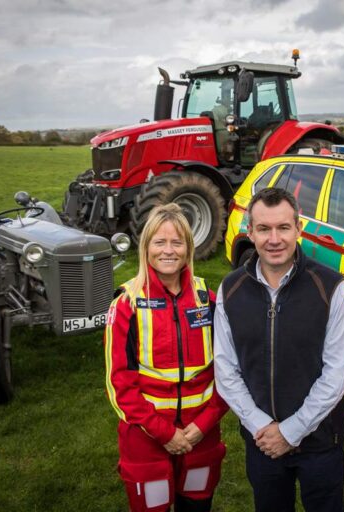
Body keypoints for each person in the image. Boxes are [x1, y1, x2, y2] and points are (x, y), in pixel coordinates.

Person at [213, 187, 344, 512]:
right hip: (261, 442)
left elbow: (338, 372)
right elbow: (226, 369)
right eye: (264, 228)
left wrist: (291, 431)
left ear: (298, 229)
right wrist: (262, 427)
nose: (273, 239)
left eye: (283, 228)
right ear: (250, 231)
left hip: (320, 442)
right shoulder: (230, 290)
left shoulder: (331, 287)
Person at [104, 203, 228, 512]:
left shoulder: (208, 300)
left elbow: (229, 372)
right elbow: (120, 384)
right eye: (160, 242)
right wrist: (165, 433)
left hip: (202, 436)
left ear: (188, 248)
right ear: (146, 248)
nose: (168, 251)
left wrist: (205, 423)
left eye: (177, 242)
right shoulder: (126, 304)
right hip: (146, 441)